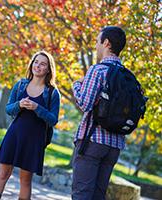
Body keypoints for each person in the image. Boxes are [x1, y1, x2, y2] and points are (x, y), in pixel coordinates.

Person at [0, 51, 61, 200]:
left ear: (48, 69)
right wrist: (19, 104)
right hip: (14, 135)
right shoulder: (20, 85)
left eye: (42, 64)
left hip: (35, 140)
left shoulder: (53, 93)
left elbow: (53, 119)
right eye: (36, 62)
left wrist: (37, 108)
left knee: (25, 180)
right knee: (2, 174)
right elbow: (8, 109)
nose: (38, 66)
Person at [72, 26, 127, 200]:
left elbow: (85, 104)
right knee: (98, 195)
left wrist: (77, 85)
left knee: (81, 194)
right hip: (115, 145)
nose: (96, 46)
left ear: (106, 43)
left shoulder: (98, 70)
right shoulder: (127, 76)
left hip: (92, 141)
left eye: (97, 41)